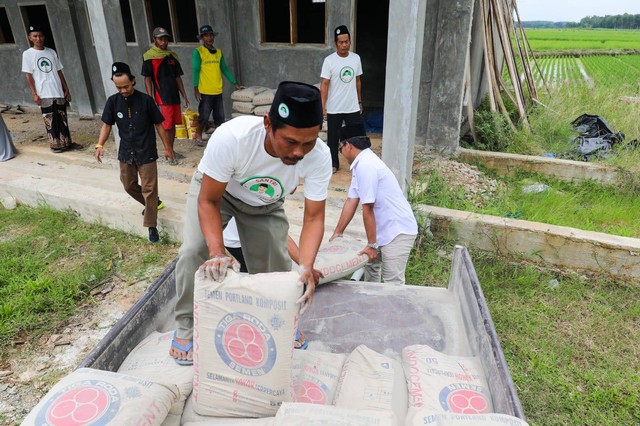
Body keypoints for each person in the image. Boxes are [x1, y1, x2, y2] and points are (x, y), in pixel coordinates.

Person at [170, 81, 331, 365]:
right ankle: (186, 326)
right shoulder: (233, 138)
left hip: (265, 204)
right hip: (219, 194)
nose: (298, 152)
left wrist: (306, 264)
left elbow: (314, 216)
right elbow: (208, 201)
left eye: (308, 142)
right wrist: (217, 252)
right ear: (268, 123)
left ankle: (280, 322)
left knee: (278, 270)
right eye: (291, 142)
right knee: (193, 252)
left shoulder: (318, 156)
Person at [95, 62, 174, 243]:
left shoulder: (146, 100)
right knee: (128, 185)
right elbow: (106, 125)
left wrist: (168, 147)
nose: (123, 90)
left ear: (133, 81)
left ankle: (151, 227)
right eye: (119, 87)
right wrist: (99, 145)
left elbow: (159, 125)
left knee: (149, 189)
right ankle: (153, 203)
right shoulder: (113, 102)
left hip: (146, 151)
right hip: (126, 152)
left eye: (126, 86)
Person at [329, 123, 418, 285]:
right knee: (371, 266)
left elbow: (367, 207)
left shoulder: (366, 165)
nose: (340, 152)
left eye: (340, 147)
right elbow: (351, 200)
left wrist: (371, 244)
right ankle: (371, 304)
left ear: (348, 145)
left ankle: (394, 309)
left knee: (393, 282)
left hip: (398, 231)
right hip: (384, 230)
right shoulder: (360, 164)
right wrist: (338, 232)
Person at [22, 25, 83, 153]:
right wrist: (34, 93)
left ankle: (67, 143)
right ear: (30, 38)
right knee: (50, 119)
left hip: (57, 90)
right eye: (35, 36)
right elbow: (28, 75)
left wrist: (66, 89)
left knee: (63, 118)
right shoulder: (28, 54)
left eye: (41, 36)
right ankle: (56, 145)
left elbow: (59, 71)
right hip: (43, 92)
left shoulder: (51, 52)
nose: (38, 38)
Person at [320, 25, 363, 174]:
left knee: (356, 137)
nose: (344, 45)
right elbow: (324, 85)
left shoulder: (356, 58)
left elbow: (357, 81)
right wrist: (323, 106)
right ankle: (333, 163)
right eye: (341, 42)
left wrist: (359, 101)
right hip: (334, 107)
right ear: (335, 43)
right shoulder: (329, 61)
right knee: (333, 138)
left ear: (350, 41)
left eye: (346, 41)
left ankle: (357, 164)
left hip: (352, 106)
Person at [142, 27, 189, 156]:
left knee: (173, 124)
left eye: (166, 39)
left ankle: (171, 150)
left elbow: (177, 77)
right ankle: (168, 151)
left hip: (174, 96)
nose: (164, 42)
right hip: (162, 97)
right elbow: (147, 78)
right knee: (165, 125)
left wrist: (184, 95)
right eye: (160, 39)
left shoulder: (172, 56)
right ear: (154, 40)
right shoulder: (149, 57)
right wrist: (149, 97)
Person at [192, 24, 241, 147]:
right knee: (203, 116)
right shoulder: (198, 52)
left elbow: (224, 69)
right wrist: (195, 87)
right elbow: (196, 70)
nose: (209, 37)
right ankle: (198, 135)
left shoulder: (218, 52)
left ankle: (220, 139)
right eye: (206, 35)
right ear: (202, 38)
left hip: (217, 90)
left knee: (220, 117)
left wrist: (234, 82)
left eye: (211, 35)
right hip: (205, 91)